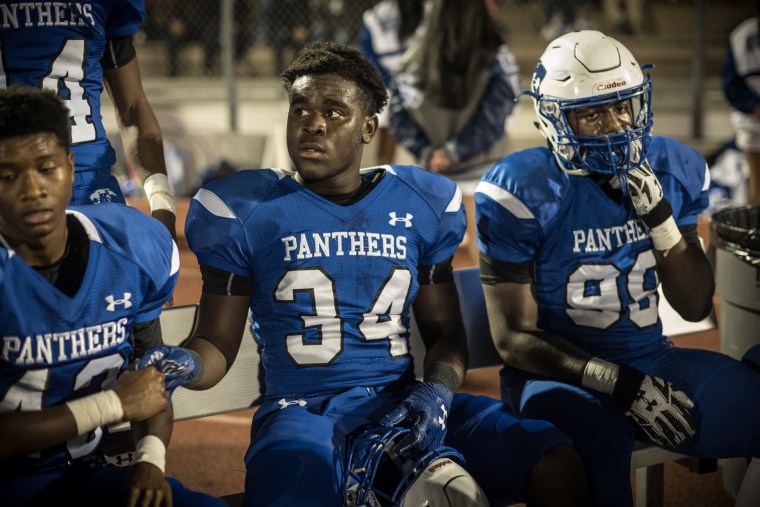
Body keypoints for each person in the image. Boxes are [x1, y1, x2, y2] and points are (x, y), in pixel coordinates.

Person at [138, 41, 588, 507]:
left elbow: (447, 334)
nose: (313, 123)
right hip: (303, 415)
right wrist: (187, 363)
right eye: (301, 109)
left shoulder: (419, 203)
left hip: (405, 402)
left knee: (553, 461)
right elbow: (216, 343)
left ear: (368, 127)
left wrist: (436, 392)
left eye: (335, 112)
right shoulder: (246, 210)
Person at [475, 29, 760, 506]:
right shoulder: (523, 187)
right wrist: (619, 383)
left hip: (653, 357)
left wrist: (661, 221)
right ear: (554, 119)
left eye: (623, 106)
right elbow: (512, 339)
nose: (615, 124)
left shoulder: (671, 166)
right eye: (592, 112)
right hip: (558, 376)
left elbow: (692, 307)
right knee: (593, 459)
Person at [0, 86, 223, 507]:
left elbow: (149, 383)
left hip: (84, 478)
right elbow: (125, 399)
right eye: (8, 175)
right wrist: (109, 405)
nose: (33, 189)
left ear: (70, 166)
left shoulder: (131, 248)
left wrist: (150, 461)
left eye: (46, 168)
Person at [0, 0, 177, 240]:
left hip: (87, 180)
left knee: (118, 272)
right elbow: (132, 107)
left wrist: (162, 203)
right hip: (12, 179)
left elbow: (132, 106)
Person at [388, 0, 520, 267]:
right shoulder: (496, 55)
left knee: (438, 261)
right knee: (488, 260)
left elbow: (398, 115)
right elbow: (496, 114)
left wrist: (428, 152)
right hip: (483, 176)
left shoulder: (413, 57)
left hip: (433, 179)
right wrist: (455, 151)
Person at [358, 0, 430, 165]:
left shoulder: (429, 9)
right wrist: (387, 80)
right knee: (385, 115)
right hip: (388, 81)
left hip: (420, 79)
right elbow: (366, 55)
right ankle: (383, 168)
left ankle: (428, 166)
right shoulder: (375, 15)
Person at [721, 4, 760, 204]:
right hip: (751, 124)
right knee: (756, 182)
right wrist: (754, 106)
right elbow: (730, 84)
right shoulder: (741, 35)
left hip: (750, 121)